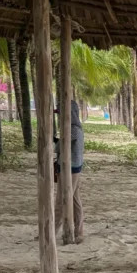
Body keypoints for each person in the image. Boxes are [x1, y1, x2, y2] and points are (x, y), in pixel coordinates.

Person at [54, 100, 85, 242]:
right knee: (74, 200)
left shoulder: (73, 129)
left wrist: (54, 142)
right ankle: (79, 232)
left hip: (70, 169)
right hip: (73, 168)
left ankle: (53, 231)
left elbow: (62, 146)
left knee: (62, 200)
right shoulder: (74, 128)